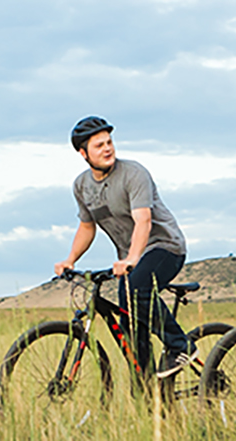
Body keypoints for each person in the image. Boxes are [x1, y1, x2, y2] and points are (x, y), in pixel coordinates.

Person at [54, 116, 194, 378]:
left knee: (138, 289)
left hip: (164, 247)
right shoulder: (81, 186)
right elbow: (87, 227)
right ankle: (146, 388)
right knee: (131, 327)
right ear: (83, 153)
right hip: (130, 259)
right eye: (99, 146)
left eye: (109, 142)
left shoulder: (133, 173)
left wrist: (131, 259)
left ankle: (180, 346)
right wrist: (70, 259)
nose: (107, 149)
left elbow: (143, 220)